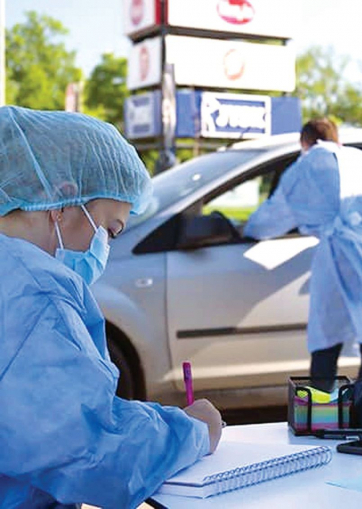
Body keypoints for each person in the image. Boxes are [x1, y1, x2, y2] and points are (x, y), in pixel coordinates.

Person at [0, 107, 223, 509]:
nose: (103, 246)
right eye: (108, 229)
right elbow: (92, 453)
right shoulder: (34, 293)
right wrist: (192, 431)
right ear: (64, 198)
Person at [243, 119, 362, 392]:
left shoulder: (306, 167)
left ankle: (322, 413)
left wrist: (247, 229)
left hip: (338, 254)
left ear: (304, 143)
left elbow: (272, 218)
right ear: (338, 138)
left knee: (325, 337)